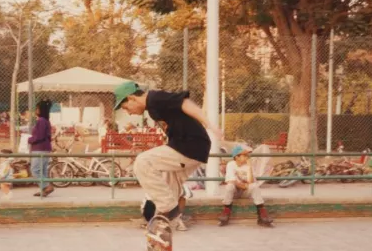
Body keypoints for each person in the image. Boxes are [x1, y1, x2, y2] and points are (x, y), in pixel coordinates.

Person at [114, 81, 221, 227]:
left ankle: (168, 209)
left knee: (142, 162)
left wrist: (209, 124)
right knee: (170, 183)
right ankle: (169, 223)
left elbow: (185, 103)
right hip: (191, 147)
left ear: (132, 98)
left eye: (126, 108)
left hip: (189, 146)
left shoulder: (154, 98)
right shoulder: (152, 108)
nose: (128, 112)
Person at [219, 145, 273, 227]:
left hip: (245, 192)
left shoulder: (248, 166)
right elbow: (232, 181)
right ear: (237, 157)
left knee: (254, 186)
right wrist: (244, 185)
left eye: (247, 155)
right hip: (235, 192)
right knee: (230, 186)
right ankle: (226, 211)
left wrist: (250, 168)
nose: (247, 157)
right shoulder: (231, 164)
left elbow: (250, 182)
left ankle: (262, 215)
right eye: (244, 155)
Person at [28, 100, 55, 197]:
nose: (36, 110)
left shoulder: (41, 121)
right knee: (42, 170)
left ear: (41, 110)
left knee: (35, 169)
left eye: (37, 108)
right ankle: (44, 189)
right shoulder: (45, 121)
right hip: (45, 148)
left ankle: (47, 186)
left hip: (40, 148)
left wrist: (29, 139)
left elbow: (39, 136)